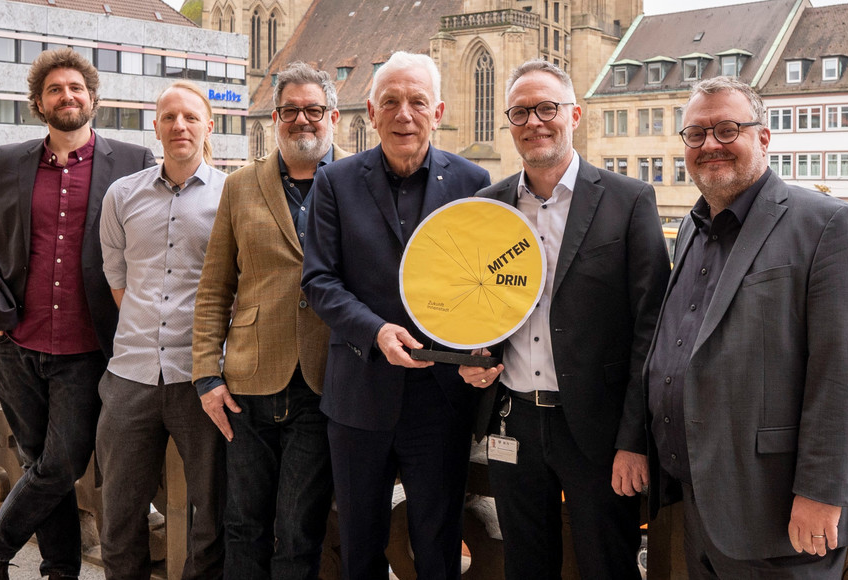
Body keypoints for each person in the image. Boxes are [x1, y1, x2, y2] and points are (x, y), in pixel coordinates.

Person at [644, 76, 848, 578]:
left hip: (781, 512)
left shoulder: (829, 223)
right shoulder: (692, 227)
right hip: (702, 501)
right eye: (696, 134)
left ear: (764, 138)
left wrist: (822, 492)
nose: (710, 144)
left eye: (727, 129)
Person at [458, 60, 670, 579]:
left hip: (598, 429)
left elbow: (652, 329)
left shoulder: (628, 200)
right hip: (513, 421)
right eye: (520, 112)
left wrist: (633, 440)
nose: (534, 122)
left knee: (607, 563)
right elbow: (477, 309)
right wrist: (471, 358)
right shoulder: (489, 205)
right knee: (525, 566)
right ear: (509, 125)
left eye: (547, 108)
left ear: (574, 114)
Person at [0, 48, 155, 580]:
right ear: (39, 103)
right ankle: (61, 569)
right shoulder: (9, 159)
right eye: (55, 90)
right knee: (39, 464)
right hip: (14, 341)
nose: (67, 96)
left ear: (93, 98)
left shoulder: (134, 162)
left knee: (62, 462)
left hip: (88, 346)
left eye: (76, 88)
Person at [301, 51, 491, 580]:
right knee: (359, 545)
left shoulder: (475, 182)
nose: (404, 113)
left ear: (439, 110)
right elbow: (319, 281)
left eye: (417, 101)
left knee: (437, 544)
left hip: (440, 399)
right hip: (359, 393)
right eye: (391, 102)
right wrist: (376, 330)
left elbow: (488, 289)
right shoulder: (334, 181)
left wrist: (483, 352)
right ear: (371, 111)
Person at [192, 61, 348, 579]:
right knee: (242, 525)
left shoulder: (358, 181)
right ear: (275, 118)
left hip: (323, 379)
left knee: (299, 530)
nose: (302, 120)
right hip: (248, 381)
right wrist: (206, 375)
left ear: (333, 116)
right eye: (290, 111)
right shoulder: (240, 186)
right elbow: (215, 288)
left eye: (313, 110)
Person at [96, 80, 226, 580]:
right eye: (170, 117)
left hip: (201, 379)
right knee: (119, 513)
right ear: (156, 125)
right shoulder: (121, 195)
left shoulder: (230, 195)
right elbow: (118, 282)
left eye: (191, 117)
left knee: (210, 516)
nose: (180, 126)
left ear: (208, 126)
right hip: (130, 375)